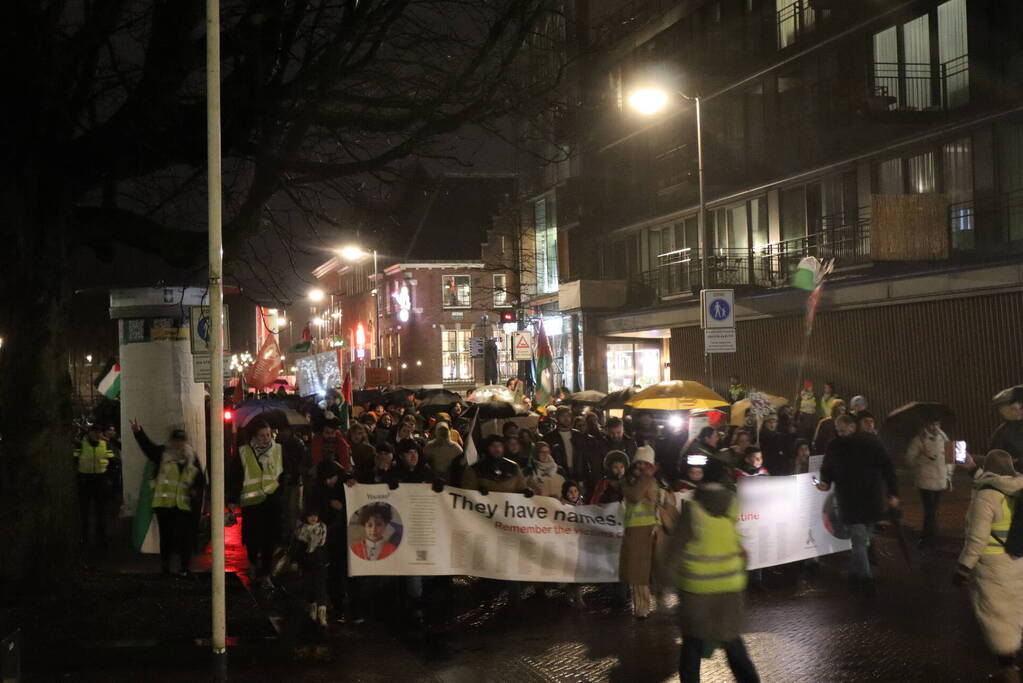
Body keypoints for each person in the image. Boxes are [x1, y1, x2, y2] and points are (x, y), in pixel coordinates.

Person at [671, 481, 760, 683]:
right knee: (733, 643)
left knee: (692, 644)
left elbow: (672, 552)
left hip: (697, 592)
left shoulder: (691, 513)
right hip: (729, 592)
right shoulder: (731, 507)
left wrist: (664, 585)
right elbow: (741, 552)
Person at [954, 449, 1023, 683]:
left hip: (992, 565)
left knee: (997, 618)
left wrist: (963, 567)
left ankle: (1009, 671)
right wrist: (973, 468)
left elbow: (977, 539)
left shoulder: (987, 497)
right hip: (1017, 559)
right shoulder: (1018, 487)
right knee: (1016, 611)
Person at [817, 414, 899, 594]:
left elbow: (887, 467)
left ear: (853, 426)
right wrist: (825, 481)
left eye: (843, 429)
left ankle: (854, 574)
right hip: (849, 499)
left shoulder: (871, 442)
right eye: (838, 430)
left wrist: (893, 492)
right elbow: (827, 468)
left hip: (870, 498)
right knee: (860, 539)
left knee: (864, 540)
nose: (840, 433)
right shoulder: (834, 445)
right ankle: (866, 579)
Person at [129, 420, 204, 576]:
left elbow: (200, 479)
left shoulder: (191, 456)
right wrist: (138, 432)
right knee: (167, 537)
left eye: (181, 441)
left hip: (184, 505)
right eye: (176, 441)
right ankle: (165, 567)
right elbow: (148, 448)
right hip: (165, 505)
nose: (179, 445)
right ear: (171, 441)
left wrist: (196, 491)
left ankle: (185, 567)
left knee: (186, 537)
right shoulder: (163, 454)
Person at [621, 446, 672, 619]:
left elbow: (659, 501)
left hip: (654, 529)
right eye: (641, 462)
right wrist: (646, 477)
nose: (644, 466)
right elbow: (635, 496)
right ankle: (642, 607)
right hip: (636, 530)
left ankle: (659, 599)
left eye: (647, 463)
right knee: (639, 571)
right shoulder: (629, 480)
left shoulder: (654, 480)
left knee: (657, 569)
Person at [239, 420, 285, 589]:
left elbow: (285, 473)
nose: (266, 438)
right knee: (253, 538)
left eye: (268, 434)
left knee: (269, 540)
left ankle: (265, 573)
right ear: (254, 437)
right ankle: (252, 563)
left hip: (272, 502)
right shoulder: (244, 452)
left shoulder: (278, 450)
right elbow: (236, 474)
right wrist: (231, 500)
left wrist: (281, 491)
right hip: (251, 504)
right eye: (262, 435)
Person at [74, 424, 118, 547]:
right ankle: (84, 537)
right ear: (89, 433)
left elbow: (112, 462)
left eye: (97, 432)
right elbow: (74, 461)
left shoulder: (105, 445)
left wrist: (109, 478)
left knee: (101, 510)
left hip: (100, 481)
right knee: (84, 511)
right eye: (93, 432)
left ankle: (101, 538)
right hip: (85, 481)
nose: (96, 435)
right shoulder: (81, 445)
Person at [908, 420, 951, 547]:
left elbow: (951, 457)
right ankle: (928, 537)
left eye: (937, 424)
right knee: (930, 510)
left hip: (940, 479)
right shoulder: (919, 439)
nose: (935, 427)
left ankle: (929, 535)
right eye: (932, 424)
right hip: (925, 480)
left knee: (934, 510)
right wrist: (920, 456)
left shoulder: (944, 437)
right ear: (926, 425)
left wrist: (949, 476)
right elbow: (909, 459)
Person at [290, 506, 330, 627]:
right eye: (310, 515)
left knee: (320, 586)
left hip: (320, 562)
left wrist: (327, 560)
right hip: (306, 563)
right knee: (309, 586)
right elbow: (297, 547)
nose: (313, 518)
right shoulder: (301, 529)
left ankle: (322, 614)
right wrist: (295, 561)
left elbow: (325, 546)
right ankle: (312, 609)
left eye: (315, 515)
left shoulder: (322, 528)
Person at [543, 406, 595, 494]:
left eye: (568, 416)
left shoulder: (578, 436)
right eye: (563, 416)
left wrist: (585, 479)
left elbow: (584, 459)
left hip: (578, 477)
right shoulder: (549, 438)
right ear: (557, 418)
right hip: (559, 477)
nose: (566, 418)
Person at [460, 436, 528, 493]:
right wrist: (478, 493)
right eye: (493, 446)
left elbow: (521, 487)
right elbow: (467, 493)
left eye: (499, 445)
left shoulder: (513, 467)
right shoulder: (475, 469)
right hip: (484, 507)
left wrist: (526, 492)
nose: (497, 449)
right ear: (487, 448)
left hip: (508, 507)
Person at [990, 397, 1023, 468]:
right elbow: (995, 453)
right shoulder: (1002, 431)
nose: (1018, 412)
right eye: (1014, 409)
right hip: (1014, 472)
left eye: (1020, 408)